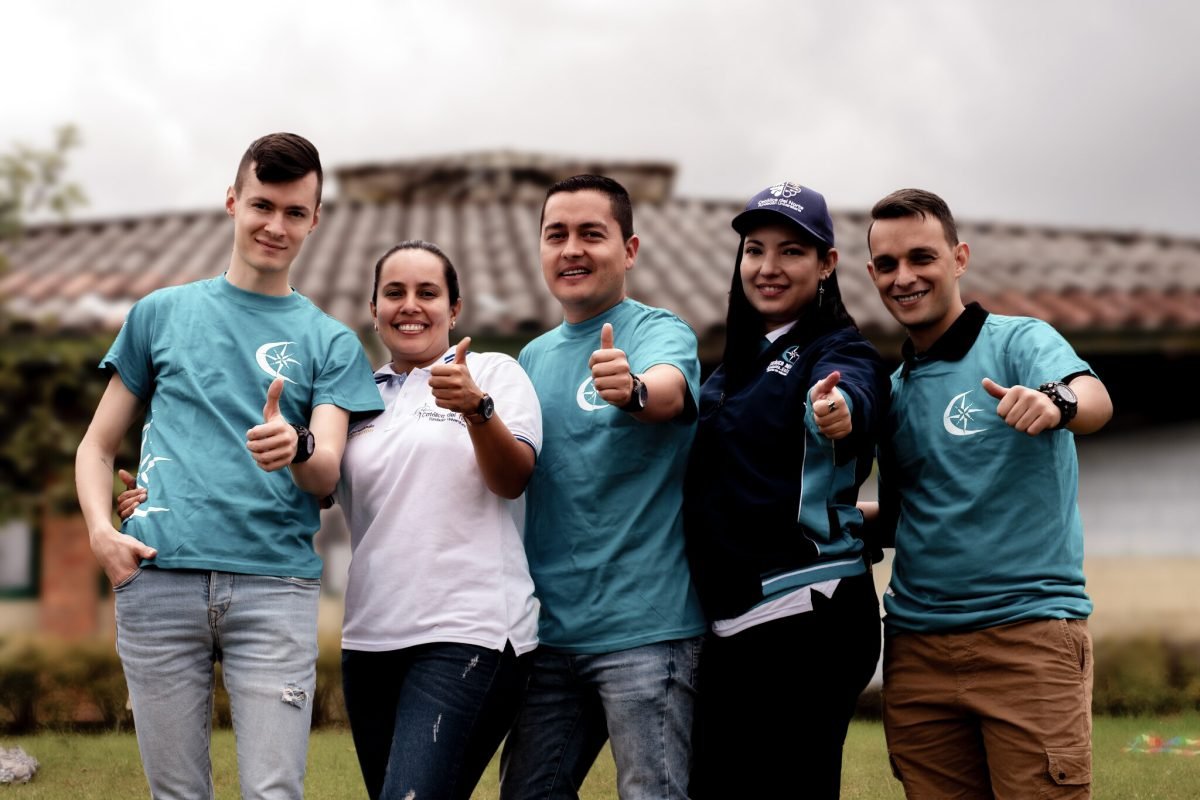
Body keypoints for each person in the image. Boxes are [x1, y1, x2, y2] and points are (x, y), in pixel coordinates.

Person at [75, 132, 384, 799]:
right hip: (158, 582)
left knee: (274, 793)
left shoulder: (331, 341)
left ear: (315, 220)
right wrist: (102, 533)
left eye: (294, 212)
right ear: (232, 202)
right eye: (262, 206)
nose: (276, 226)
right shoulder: (159, 314)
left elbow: (327, 471)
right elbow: (97, 446)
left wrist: (296, 446)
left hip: (275, 588)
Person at [863, 188, 1113, 799]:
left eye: (922, 257)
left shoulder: (1018, 342)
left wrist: (1054, 401)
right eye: (888, 265)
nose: (904, 277)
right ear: (871, 275)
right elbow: (901, 517)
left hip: (1027, 638)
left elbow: (1095, 400)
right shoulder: (892, 391)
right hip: (917, 651)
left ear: (959, 258)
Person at [499, 175, 706, 800]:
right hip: (550, 632)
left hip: (647, 630)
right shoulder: (531, 359)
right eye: (556, 235)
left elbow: (668, 389)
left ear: (630, 249)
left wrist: (633, 390)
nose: (572, 249)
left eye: (592, 234)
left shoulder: (659, 332)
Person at [683, 181, 888, 799]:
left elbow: (854, 390)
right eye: (755, 250)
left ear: (827, 264)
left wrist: (838, 411)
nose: (768, 267)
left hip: (807, 608)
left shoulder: (838, 347)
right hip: (737, 616)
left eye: (791, 251)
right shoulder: (733, 365)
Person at [335, 241, 542, 800]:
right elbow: (310, 488)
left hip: (468, 630)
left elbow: (513, 478)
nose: (410, 305)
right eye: (394, 292)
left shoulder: (494, 372)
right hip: (369, 638)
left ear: (454, 309)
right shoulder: (354, 399)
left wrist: (477, 410)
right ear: (374, 309)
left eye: (428, 293)